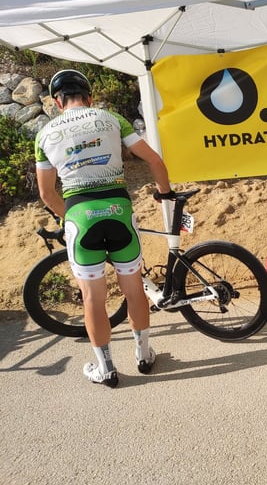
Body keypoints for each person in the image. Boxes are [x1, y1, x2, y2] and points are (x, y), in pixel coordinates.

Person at [35, 69, 174, 387]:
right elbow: (155, 161)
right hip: (118, 210)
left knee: (92, 299)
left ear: (57, 102)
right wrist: (164, 192)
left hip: (80, 217)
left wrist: (68, 219)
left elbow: (46, 193)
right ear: (89, 97)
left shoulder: (45, 135)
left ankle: (106, 369)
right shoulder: (112, 119)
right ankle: (144, 356)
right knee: (134, 290)